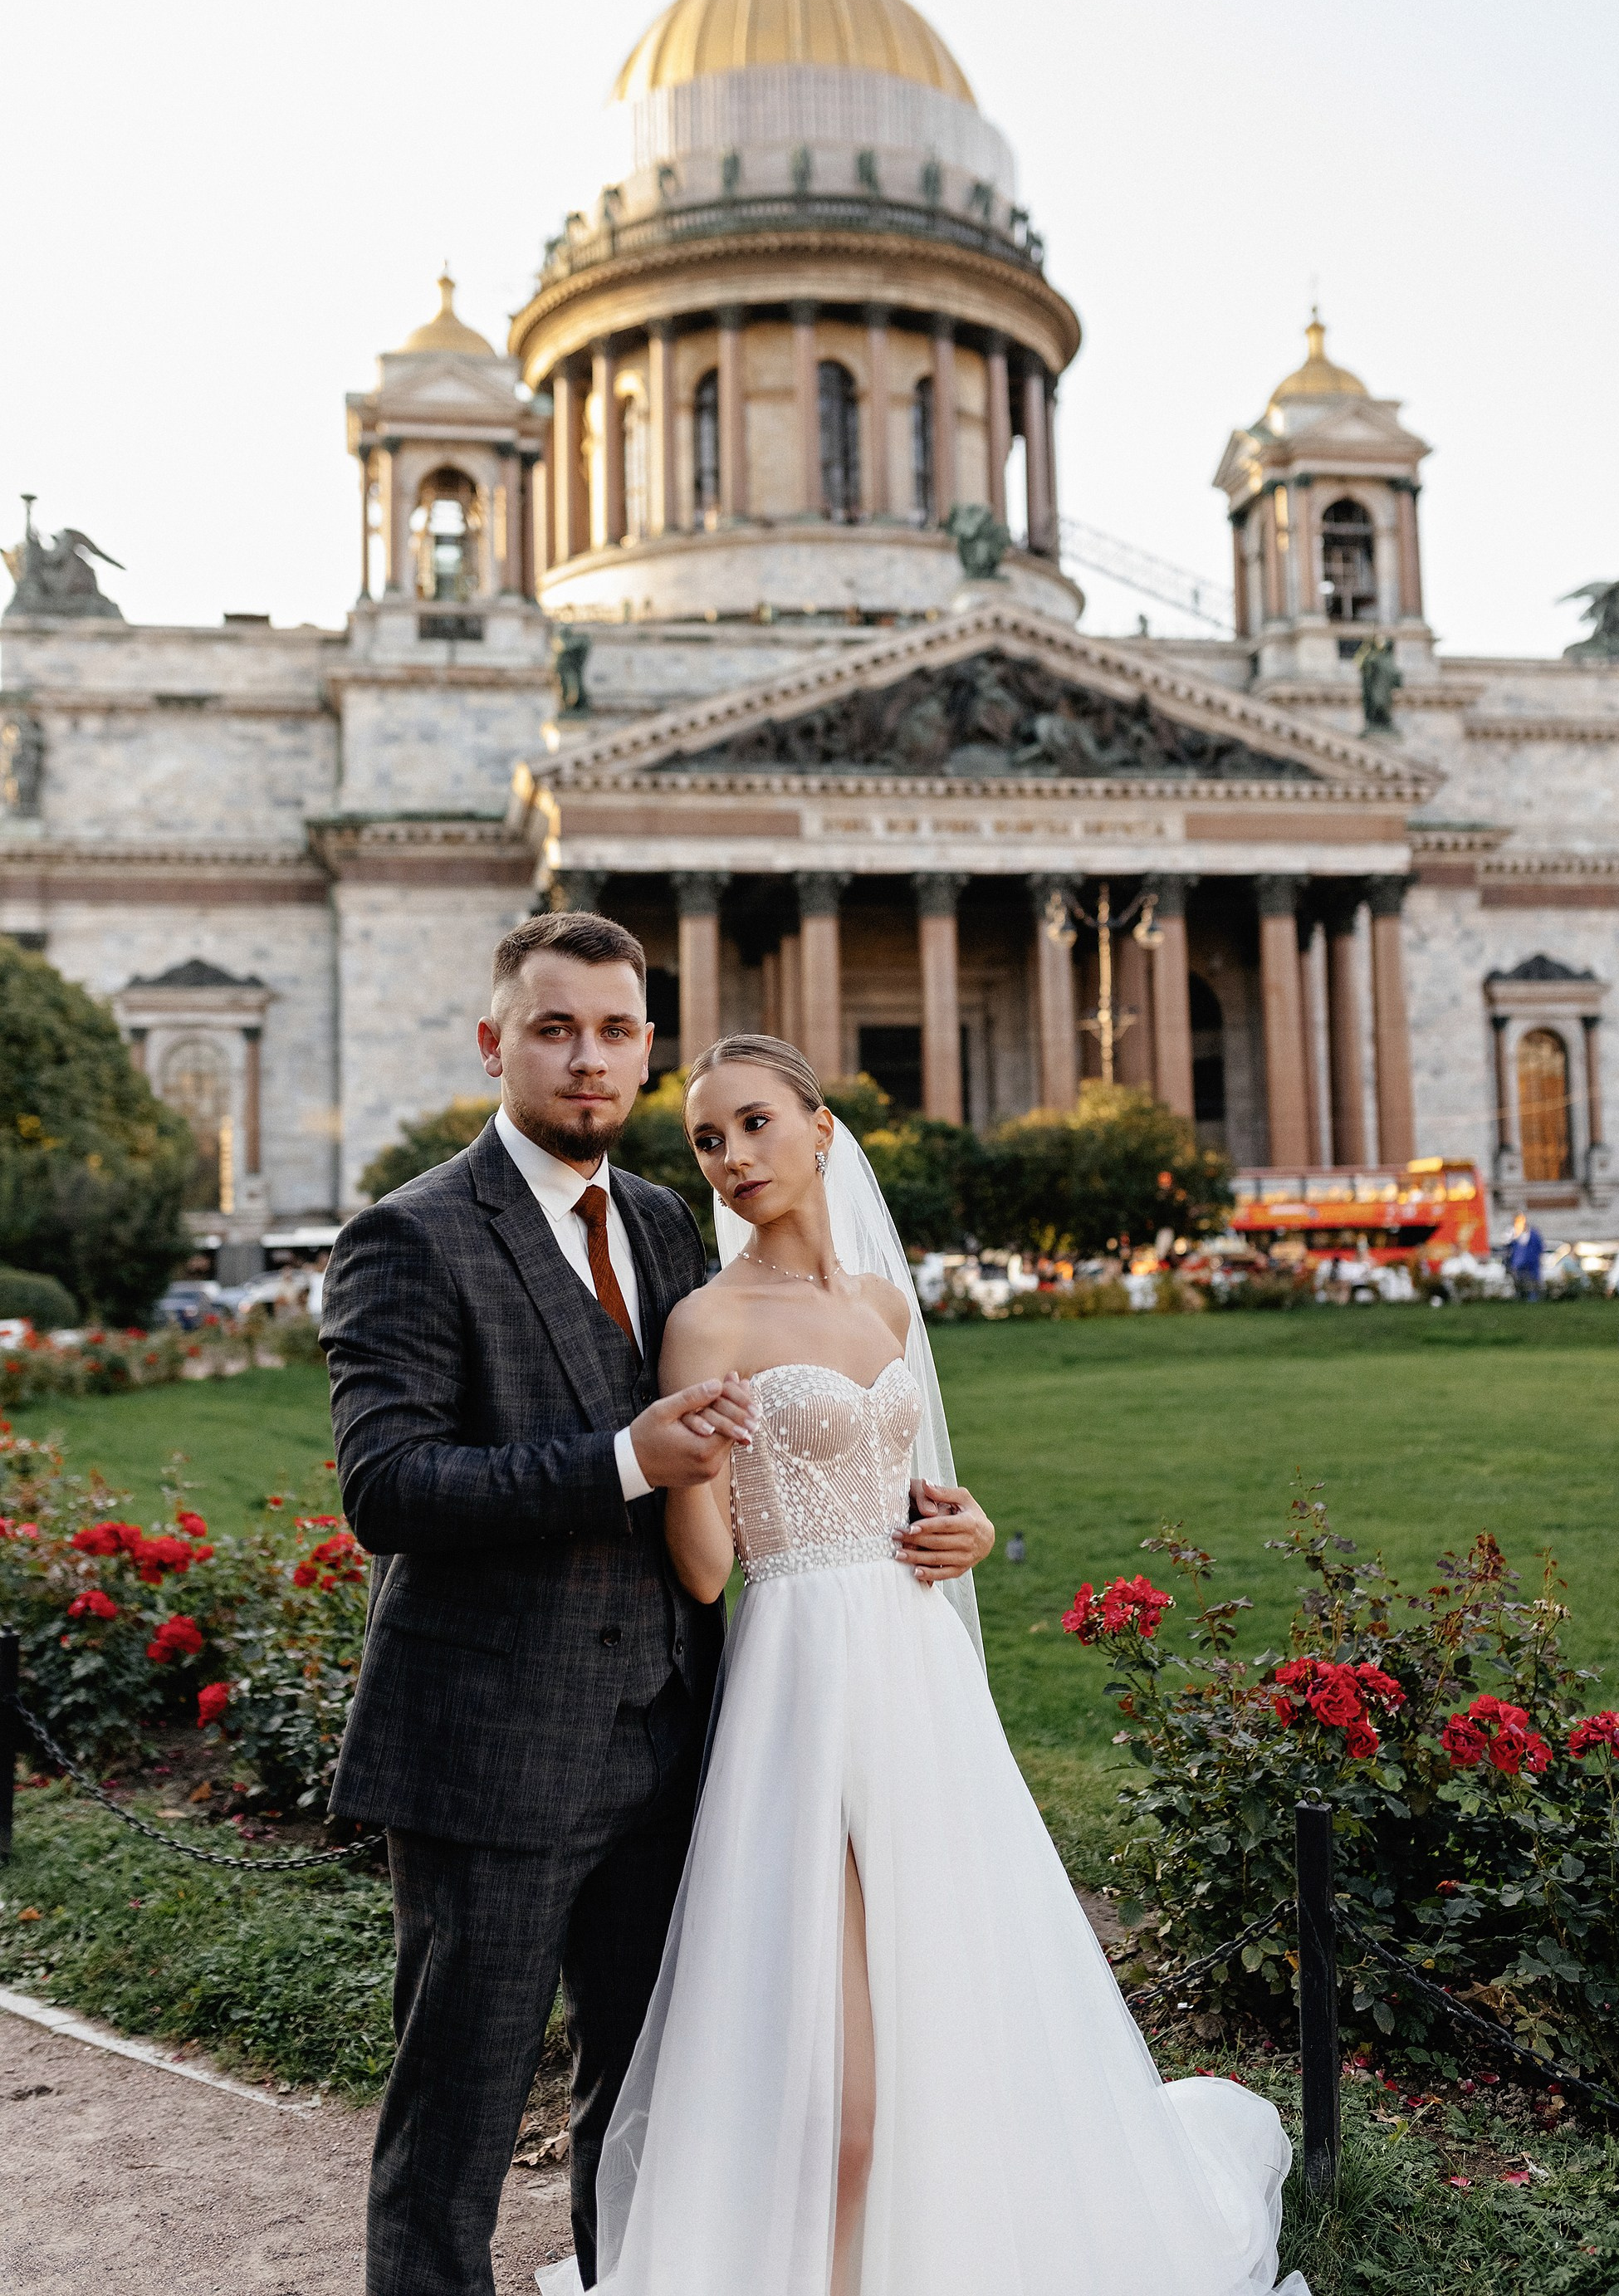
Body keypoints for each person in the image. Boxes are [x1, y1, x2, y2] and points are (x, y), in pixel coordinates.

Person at [540, 1033, 1308, 2296]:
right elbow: (700, 1569)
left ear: (822, 1128)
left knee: (958, 2002)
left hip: (917, 1677)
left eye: (753, 1125)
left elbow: (906, 1494)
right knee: (837, 2090)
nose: (732, 1158)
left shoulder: (885, 1307)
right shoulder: (706, 1322)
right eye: (706, 1142)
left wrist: (976, 1527)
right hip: (800, 1684)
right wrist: (692, 1457)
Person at [321, 911, 756, 2296]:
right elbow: (389, 1486)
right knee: (451, 2139)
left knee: (639, 2119)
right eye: (557, 1029)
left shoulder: (666, 1221)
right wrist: (628, 1461)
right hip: (491, 1755)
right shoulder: (410, 1235)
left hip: (671, 1743)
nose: (589, 1060)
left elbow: (748, 1444)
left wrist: (931, 1520)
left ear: (647, 1050)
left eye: (618, 1032)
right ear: (494, 1042)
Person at [1507, 1210, 1544, 1300]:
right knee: (1520, 1283)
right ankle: (1521, 1297)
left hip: (1532, 1264)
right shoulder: (1514, 1235)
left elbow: (1539, 1247)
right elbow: (1510, 1248)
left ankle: (1533, 1298)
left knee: (1533, 1283)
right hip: (1518, 1264)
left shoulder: (1534, 1234)